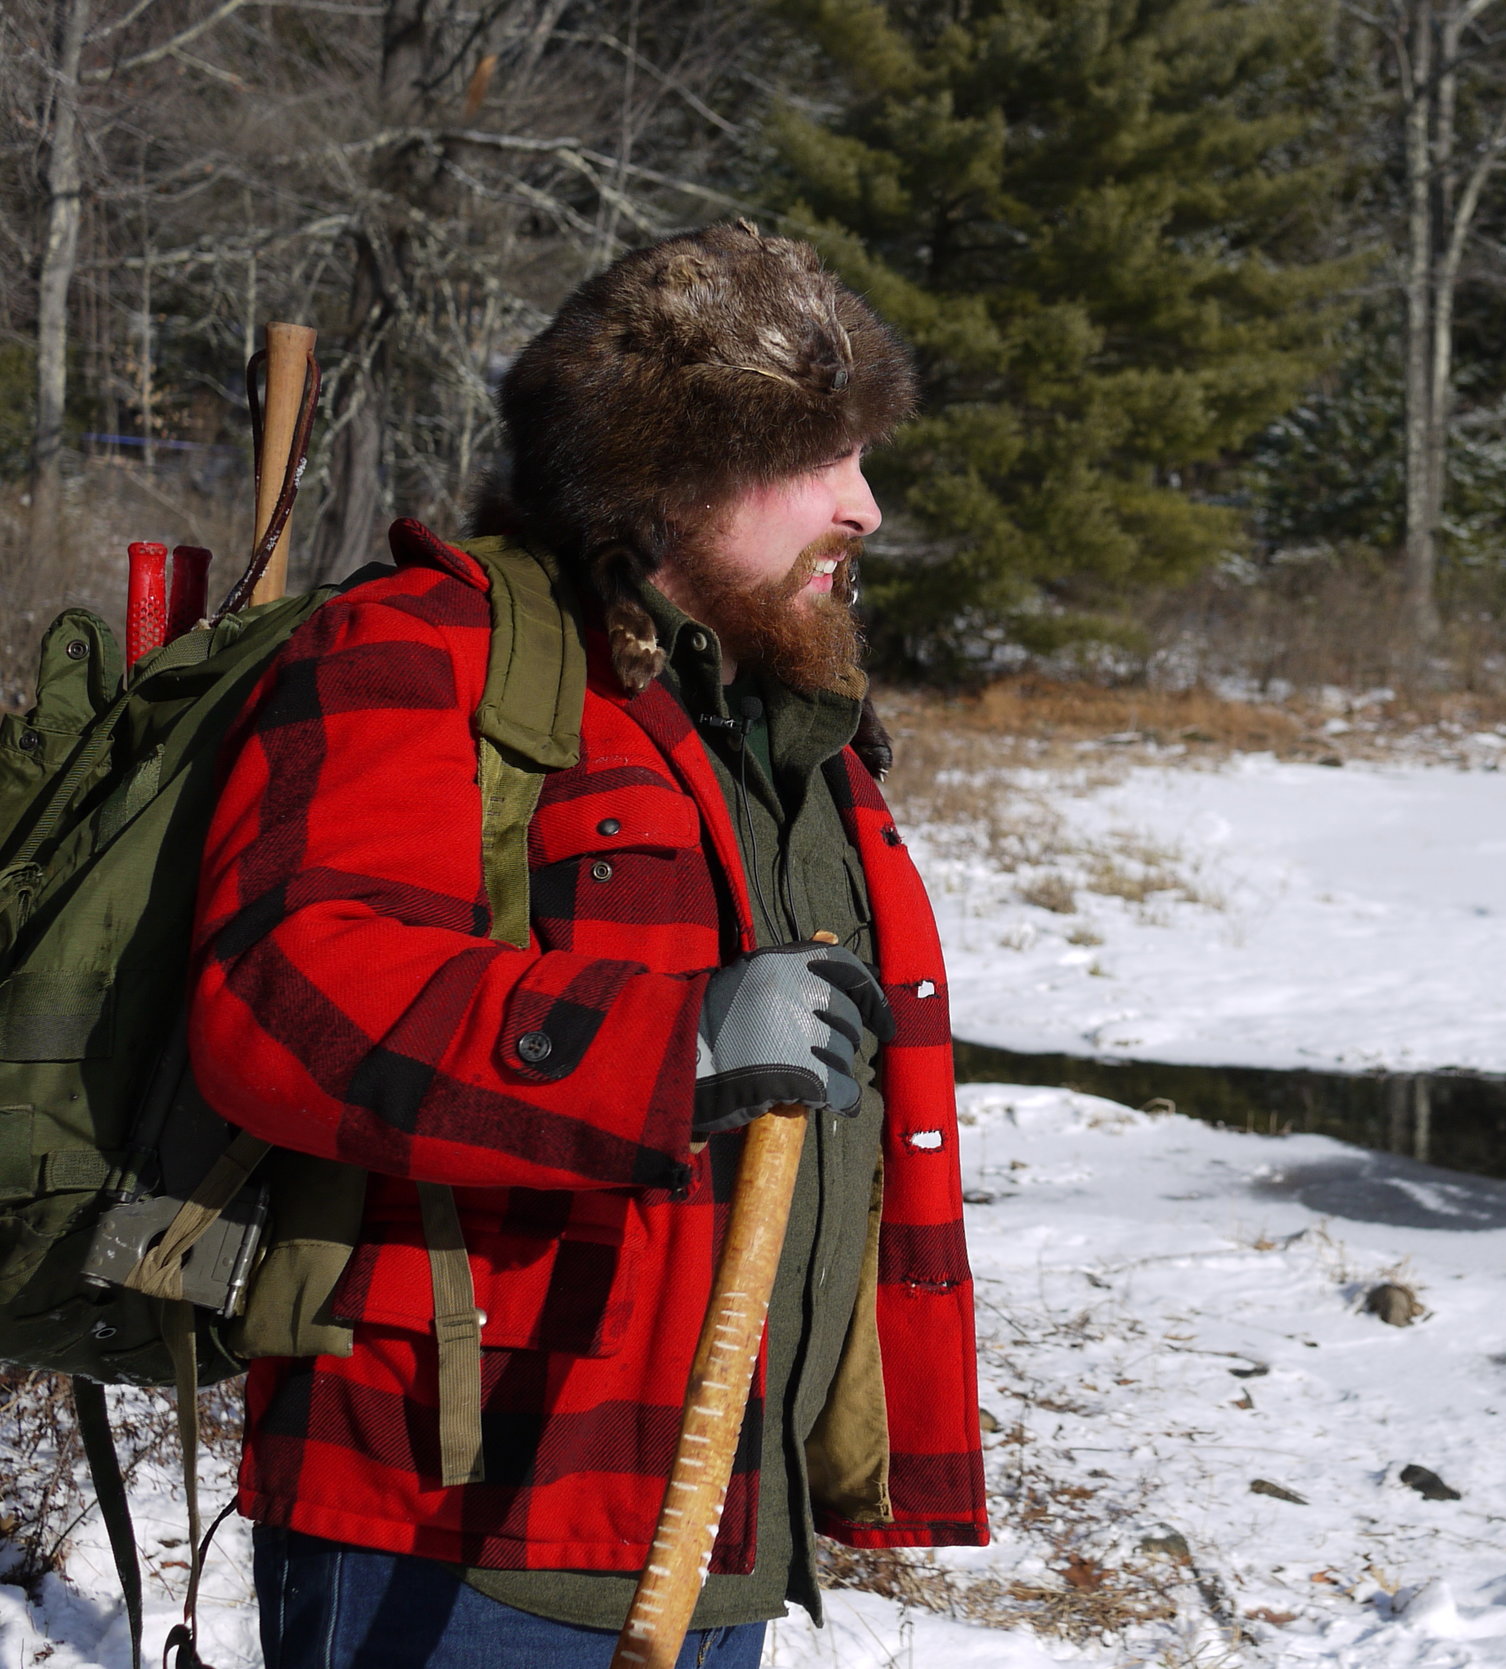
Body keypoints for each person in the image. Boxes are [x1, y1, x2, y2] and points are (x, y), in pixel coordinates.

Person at [188, 221, 986, 1669]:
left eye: (864, 456)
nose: (864, 507)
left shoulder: (792, 739)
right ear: (667, 475)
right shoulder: (423, 651)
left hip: (711, 1522)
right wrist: (669, 1044)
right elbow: (282, 994)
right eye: (819, 457)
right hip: (454, 1534)